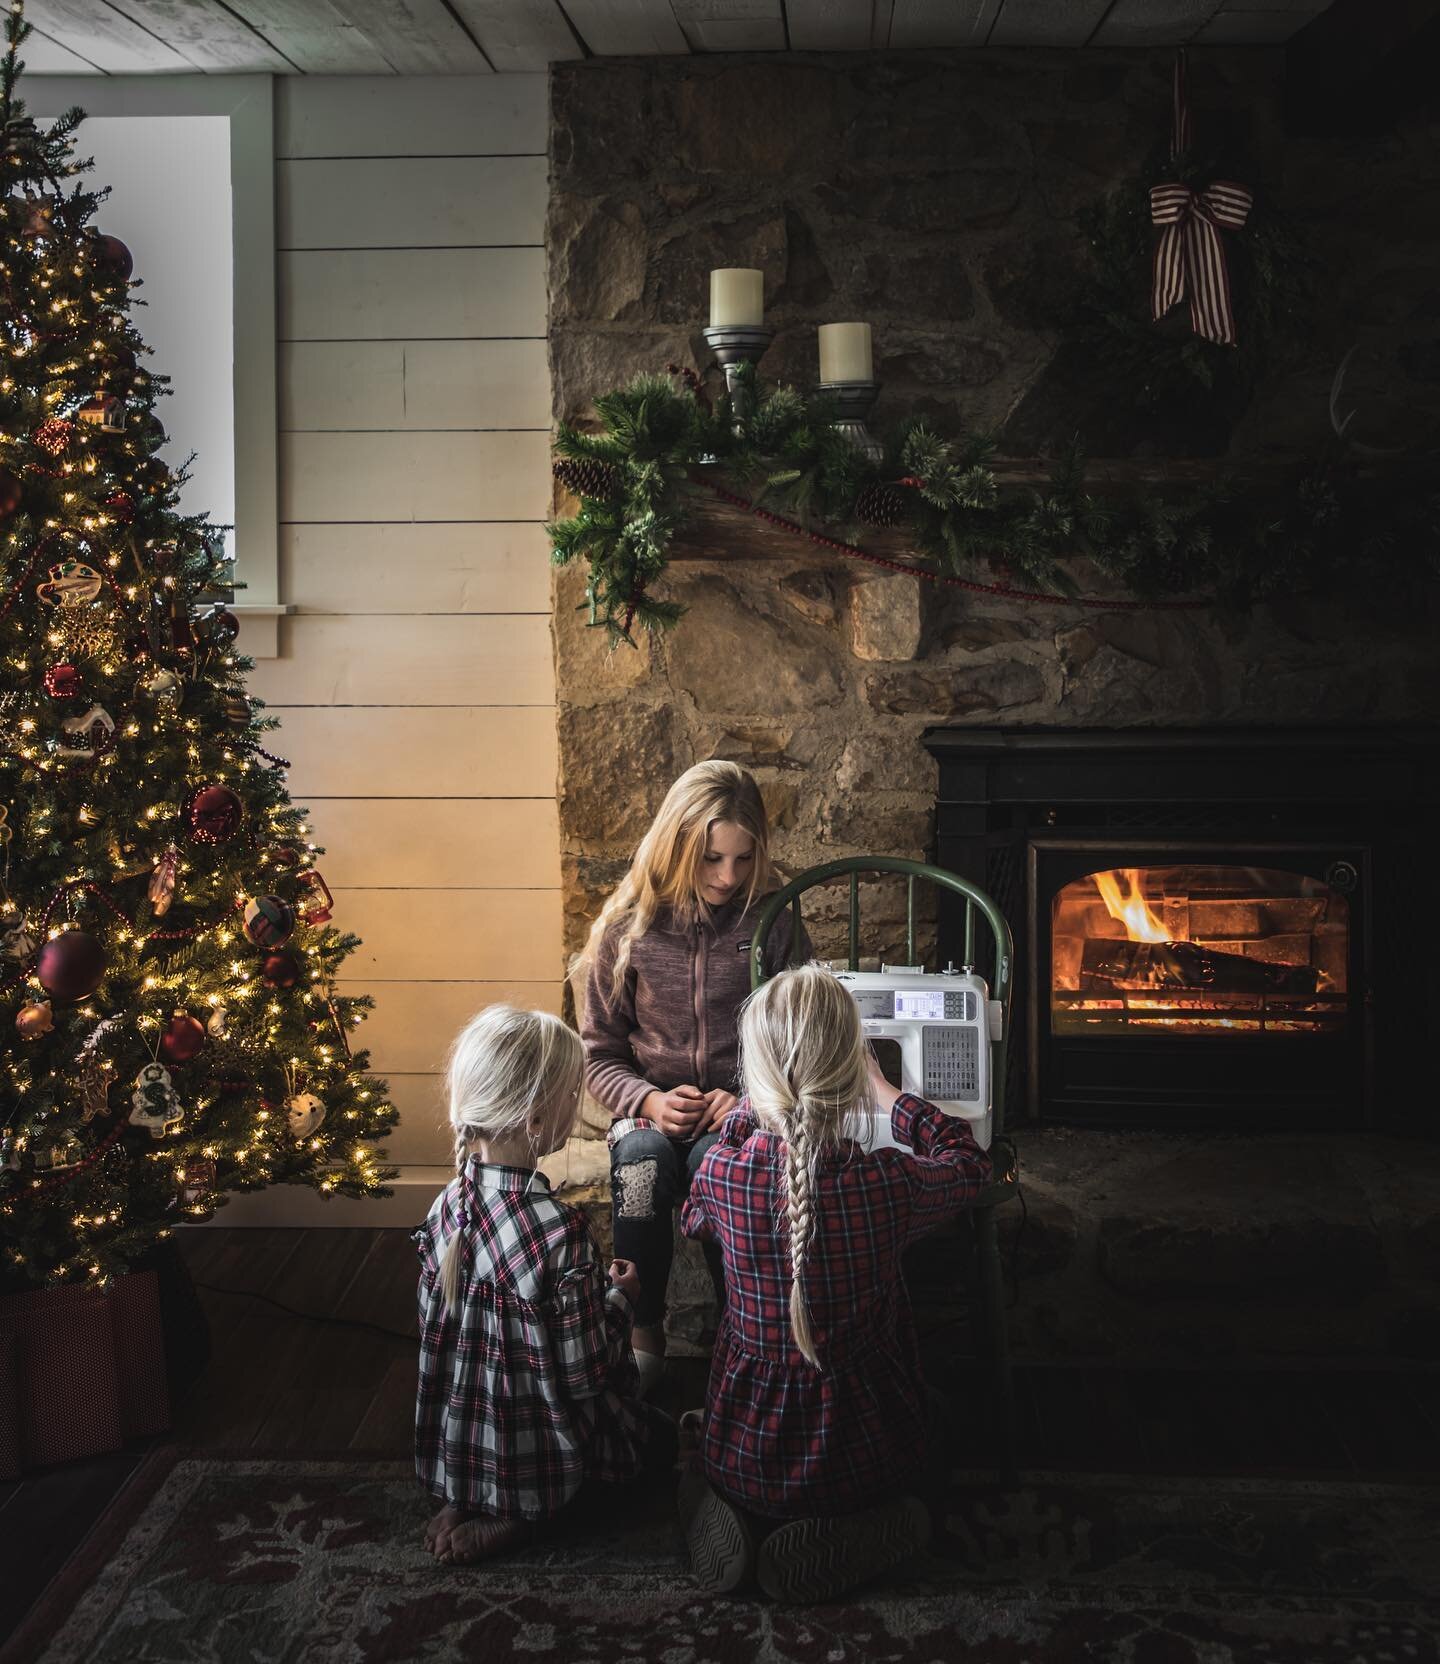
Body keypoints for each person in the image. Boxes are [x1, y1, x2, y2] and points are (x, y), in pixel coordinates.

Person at [678, 964, 993, 1602]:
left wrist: (751, 1112)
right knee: (945, 1417)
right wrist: (888, 1096)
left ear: (755, 1076)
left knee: (690, 1439)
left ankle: (724, 1509)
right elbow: (970, 1164)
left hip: (743, 1450)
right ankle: (888, 1523)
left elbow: (692, 1220)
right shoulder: (884, 1186)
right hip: (863, 1459)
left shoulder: (720, 1175)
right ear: (851, 1069)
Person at [414, 1005, 674, 1565]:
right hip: (538, 1448)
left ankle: (464, 1497)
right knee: (663, 1442)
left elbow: (434, 1332)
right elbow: (585, 1373)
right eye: (572, 1094)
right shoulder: (558, 1232)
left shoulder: (444, 1207)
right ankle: (524, 1517)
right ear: (535, 1121)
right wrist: (619, 1302)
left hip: (462, 1435)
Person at [579, 760, 805, 1394]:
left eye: (741, 858)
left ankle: (743, 1334)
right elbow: (598, 1051)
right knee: (643, 1162)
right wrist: (648, 1102)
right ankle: (642, 1329)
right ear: (676, 845)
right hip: (648, 1115)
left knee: (719, 1163)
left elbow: (799, 1041)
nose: (727, 877)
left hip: (739, 1117)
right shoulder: (628, 927)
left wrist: (750, 1099)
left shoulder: (774, 919)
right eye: (711, 858)